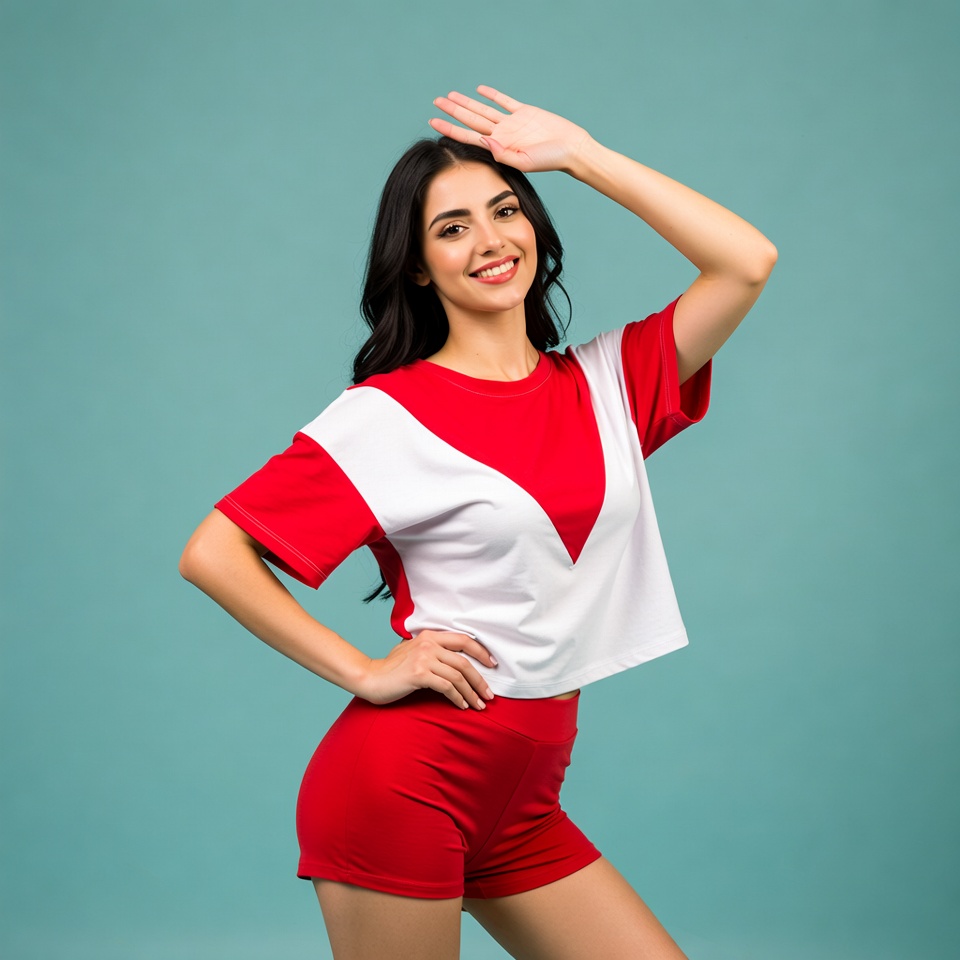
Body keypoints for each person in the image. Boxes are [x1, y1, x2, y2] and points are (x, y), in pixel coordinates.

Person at [179, 85, 776, 960]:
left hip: (526, 804)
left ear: (536, 227)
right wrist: (362, 669)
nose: (491, 240)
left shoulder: (611, 383)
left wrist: (583, 153)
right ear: (418, 266)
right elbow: (213, 551)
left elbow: (746, 261)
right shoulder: (385, 415)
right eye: (452, 227)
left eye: (505, 212)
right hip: (404, 785)